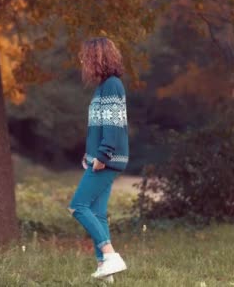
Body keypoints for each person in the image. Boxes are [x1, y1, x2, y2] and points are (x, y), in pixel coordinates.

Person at [68, 37, 129, 283]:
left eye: (87, 56)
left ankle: (109, 254)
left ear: (98, 57)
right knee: (98, 213)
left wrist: (102, 156)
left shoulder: (112, 85)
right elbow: (99, 127)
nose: (83, 61)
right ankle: (106, 270)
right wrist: (90, 154)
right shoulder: (104, 87)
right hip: (102, 157)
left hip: (108, 159)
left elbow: (113, 128)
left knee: (78, 206)